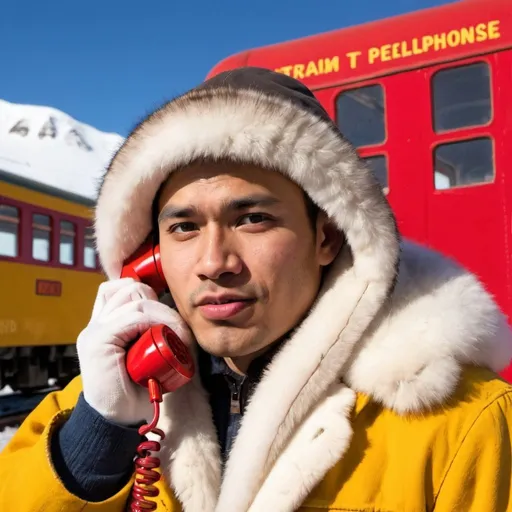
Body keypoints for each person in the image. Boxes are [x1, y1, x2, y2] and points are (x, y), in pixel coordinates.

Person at [1, 67, 511, 512]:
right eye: (183, 228)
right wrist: (97, 435)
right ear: (148, 259)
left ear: (327, 236)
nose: (213, 263)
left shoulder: (467, 424)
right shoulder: (101, 406)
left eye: (253, 219)